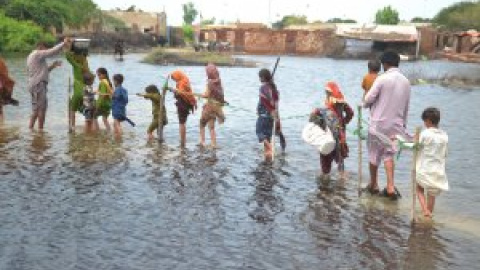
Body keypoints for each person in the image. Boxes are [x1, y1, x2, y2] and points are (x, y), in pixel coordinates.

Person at [363, 51, 411, 200]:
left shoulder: (382, 79)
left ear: (385, 64)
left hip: (378, 124)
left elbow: (368, 99)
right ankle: (390, 186)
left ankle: (374, 184)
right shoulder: (406, 81)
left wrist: (365, 102)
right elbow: (406, 107)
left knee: (373, 153)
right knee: (389, 154)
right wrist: (403, 125)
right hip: (397, 124)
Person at [309, 82, 354, 178]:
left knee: (325, 161)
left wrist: (316, 120)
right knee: (340, 160)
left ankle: (325, 182)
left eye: (326, 92)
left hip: (327, 137)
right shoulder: (342, 103)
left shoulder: (325, 106)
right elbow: (350, 113)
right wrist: (344, 122)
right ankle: (341, 181)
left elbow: (313, 118)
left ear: (328, 93)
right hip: (340, 135)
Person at [27, 38, 71, 130]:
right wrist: (64, 43)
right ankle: (40, 130)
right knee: (42, 109)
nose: (45, 51)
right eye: (44, 48)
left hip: (35, 84)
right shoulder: (37, 54)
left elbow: (43, 71)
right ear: (40, 47)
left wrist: (53, 66)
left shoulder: (33, 56)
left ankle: (31, 129)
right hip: (38, 84)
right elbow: (52, 52)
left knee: (36, 109)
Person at [416, 107, 448, 218]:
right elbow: (445, 153)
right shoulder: (444, 135)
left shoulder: (425, 133)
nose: (424, 123)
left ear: (428, 121)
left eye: (425, 121)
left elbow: (417, 146)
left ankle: (425, 210)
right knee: (432, 194)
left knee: (419, 188)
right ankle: (429, 213)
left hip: (425, 168)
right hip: (438, 170)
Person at [256, 68, 284, 162]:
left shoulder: (263, 88)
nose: (259, 79)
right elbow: (276, 105)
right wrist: (277, 118)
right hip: (272, 118)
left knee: (259, 132)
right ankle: (267, 156)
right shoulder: (274, 89)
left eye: (260, 77)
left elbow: (264, 102)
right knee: (267, 137)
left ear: (263, 77)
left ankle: (270, 149)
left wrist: (267, 111)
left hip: (264, 116)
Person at [166, 70, 197, 147]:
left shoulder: (182, 82)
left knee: (181, 123)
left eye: (174, 78)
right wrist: (173, 90)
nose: (174, 80)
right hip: (186, 104)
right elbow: (181, 92)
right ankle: (183, 140)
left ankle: (182, 142)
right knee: (182, 122)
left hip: (183, 104)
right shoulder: (185, 80)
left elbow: (180, 92)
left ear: (178, 76)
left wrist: (172, 89)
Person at [199, 63, 226, 148]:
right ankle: (214, 144)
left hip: (210, 106)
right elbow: (221, 94)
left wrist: (201, 95)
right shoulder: (219, 81)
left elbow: (207, 94)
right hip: (217, 108)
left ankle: (202, 142)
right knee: (211, 126)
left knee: (202, 123)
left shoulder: (210, 83)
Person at [66, 41, 91, 129]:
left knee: (72, 109)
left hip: (78, 92)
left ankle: (72, 127)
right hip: (87, 92)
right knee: (87, 111)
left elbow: (68, 57)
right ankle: (89, 129)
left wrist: (68, 46)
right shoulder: (87, 68)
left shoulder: (77, 66)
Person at [0, 58, 18, 124]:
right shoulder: (1, 62)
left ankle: (2, 125)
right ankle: (2, 124)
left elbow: (4, 75)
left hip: (1, 87)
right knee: (1, 109)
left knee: (1, 108)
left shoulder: (1, 62)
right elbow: (5, 75)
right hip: (1, 87)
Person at [95, 67, 113, 132]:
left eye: (99, 75)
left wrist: (97, 105)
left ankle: (97, 132)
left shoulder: (103, 82)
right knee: (104, 119)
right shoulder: (108, 82)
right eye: (98, 75)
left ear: (104, 75)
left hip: (102, 104)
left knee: (94, 117)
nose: (98, 77)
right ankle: (109, 131)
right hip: (108, 104)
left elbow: (102, 95)